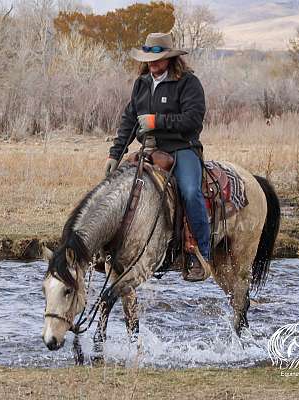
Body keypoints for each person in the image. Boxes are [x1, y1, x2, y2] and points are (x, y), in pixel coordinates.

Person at [104, 32, 210, 282]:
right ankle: (113, 251)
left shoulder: (188, 82)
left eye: (159, 58)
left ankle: (201, 254)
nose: (153, 63)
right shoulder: (141, 84)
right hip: (149, 150)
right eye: (150, 59)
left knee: (190, 190)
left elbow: (193, 119)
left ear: (170, 59)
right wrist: (115, 154)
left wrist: (157, 121)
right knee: (118, 188)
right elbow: (129, 121)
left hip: (182, 148)